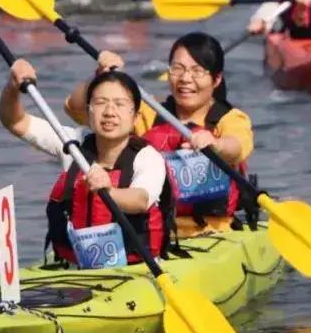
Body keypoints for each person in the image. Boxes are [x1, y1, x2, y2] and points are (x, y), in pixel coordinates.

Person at [66, 33, 255, 237]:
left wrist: (215, 145)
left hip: (215, 230)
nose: (185, 79)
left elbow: (237, 147)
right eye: (177, 68)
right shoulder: (148, 113)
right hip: (156, 232)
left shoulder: (230, 119)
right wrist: (99, 79)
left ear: (216, 79)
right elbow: (75, 109)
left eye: (197, 71)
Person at [0, 61, 167, 266]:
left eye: (120, 104)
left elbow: (141, 200)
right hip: (75, 267)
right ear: (88, 112)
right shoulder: (72, 144)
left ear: (135, 117)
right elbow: (15, 121)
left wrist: (110, 192)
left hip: (135, 267)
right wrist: (12, 87)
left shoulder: (148, 157)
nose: (109, 112)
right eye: (101, 102)